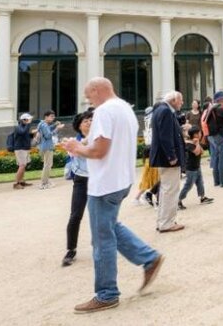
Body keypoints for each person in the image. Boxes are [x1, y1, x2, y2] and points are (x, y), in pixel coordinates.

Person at [60, 78, 163, 314]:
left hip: (105, 183)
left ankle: (107, 294)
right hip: (121, 179)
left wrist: (76, 148)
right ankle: (149, 258)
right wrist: (83, 143)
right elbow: (107, 142)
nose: (89, 101)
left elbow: (99, 151)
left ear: (97, 90)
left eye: (89, 96)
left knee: (102, 238)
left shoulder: (104, 111)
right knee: (110, 226)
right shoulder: (124, 107)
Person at [150, 91, 187, 233]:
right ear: (172, 100)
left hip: (163, 157)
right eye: (180, 100)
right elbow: (165, 137)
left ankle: (163, 221)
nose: (182, 103)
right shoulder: (165, 111)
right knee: (170, 190)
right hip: (168, 158)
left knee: (166, 190)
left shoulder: (160, 110)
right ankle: (167, 222)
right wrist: (172, 156)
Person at [62, 110, 92, 267]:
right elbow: (76, 149)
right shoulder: (74, 140)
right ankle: (71, 249)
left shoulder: (99, 139)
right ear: (79, 125)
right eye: (85, 121)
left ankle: (100, 244)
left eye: (91, 120)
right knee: (75, 215)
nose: (89, 122)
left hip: (97, 181)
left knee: (99, 215)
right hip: (81, 181)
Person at [134, 105, 159, 207]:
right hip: (152, 152)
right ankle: (152, 197)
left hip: (149, 151)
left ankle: (142, 196)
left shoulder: (146, 121)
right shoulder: (152, 121)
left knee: (150, 177)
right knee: (153, 177)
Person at [37, 110, 63, 189]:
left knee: (47, 165)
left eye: (53, 116)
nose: (53, 118)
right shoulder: (44, 125)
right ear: (46, 117)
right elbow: (48, 135)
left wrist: (55, 125)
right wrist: (57, 128)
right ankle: (44, 183)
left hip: (45, 146)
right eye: (51, 116)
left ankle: (45, 182)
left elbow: (48, 129)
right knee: (47, 165)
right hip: (47, 146)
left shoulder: (42, 124)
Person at [12, 113, 35, 189]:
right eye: (28, 120)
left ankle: (21, 181)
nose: (29, 121)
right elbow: (22, 132)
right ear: (23, 120)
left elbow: (26, 135)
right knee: (22, 165)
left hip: (25, 148)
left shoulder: (25, 127)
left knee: (23, 166)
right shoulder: (18, 127)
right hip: (20, 149)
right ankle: (16, 183)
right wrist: (28, 124)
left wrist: (32, 134)